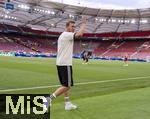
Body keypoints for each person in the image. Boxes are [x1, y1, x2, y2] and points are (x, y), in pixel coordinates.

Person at [49, 18, 86, 111]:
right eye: (72, 26)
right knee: (67, 86)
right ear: (67, 27)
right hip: (65, 63)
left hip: (61, 63)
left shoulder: (63, 35)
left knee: (65, 85)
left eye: (74, 26)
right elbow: (80, 34)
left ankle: (67, 103)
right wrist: (83, 24)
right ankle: (48, 99)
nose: (73, 28)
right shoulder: (66, 35)